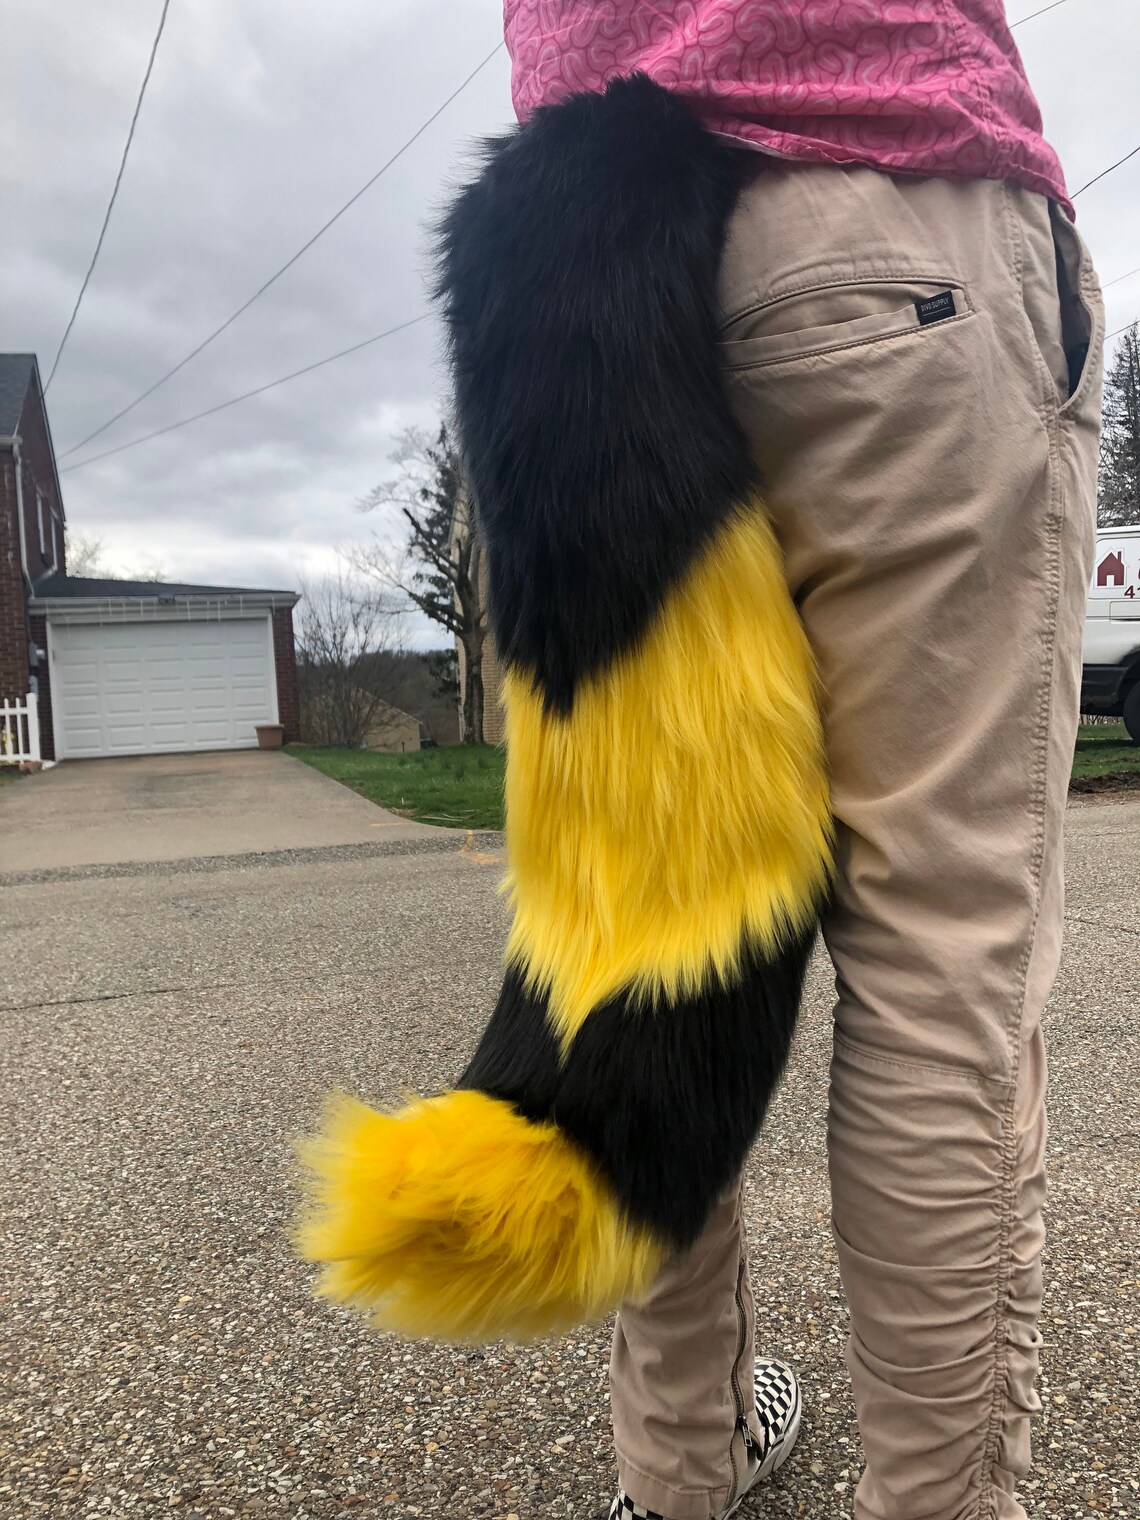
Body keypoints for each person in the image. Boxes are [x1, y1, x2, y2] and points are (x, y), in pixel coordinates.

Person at [496, 4, 1102, 1519]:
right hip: (876, 206)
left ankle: (675, 1476)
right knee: (935, 949)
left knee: (653, 946)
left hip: (578, 281)